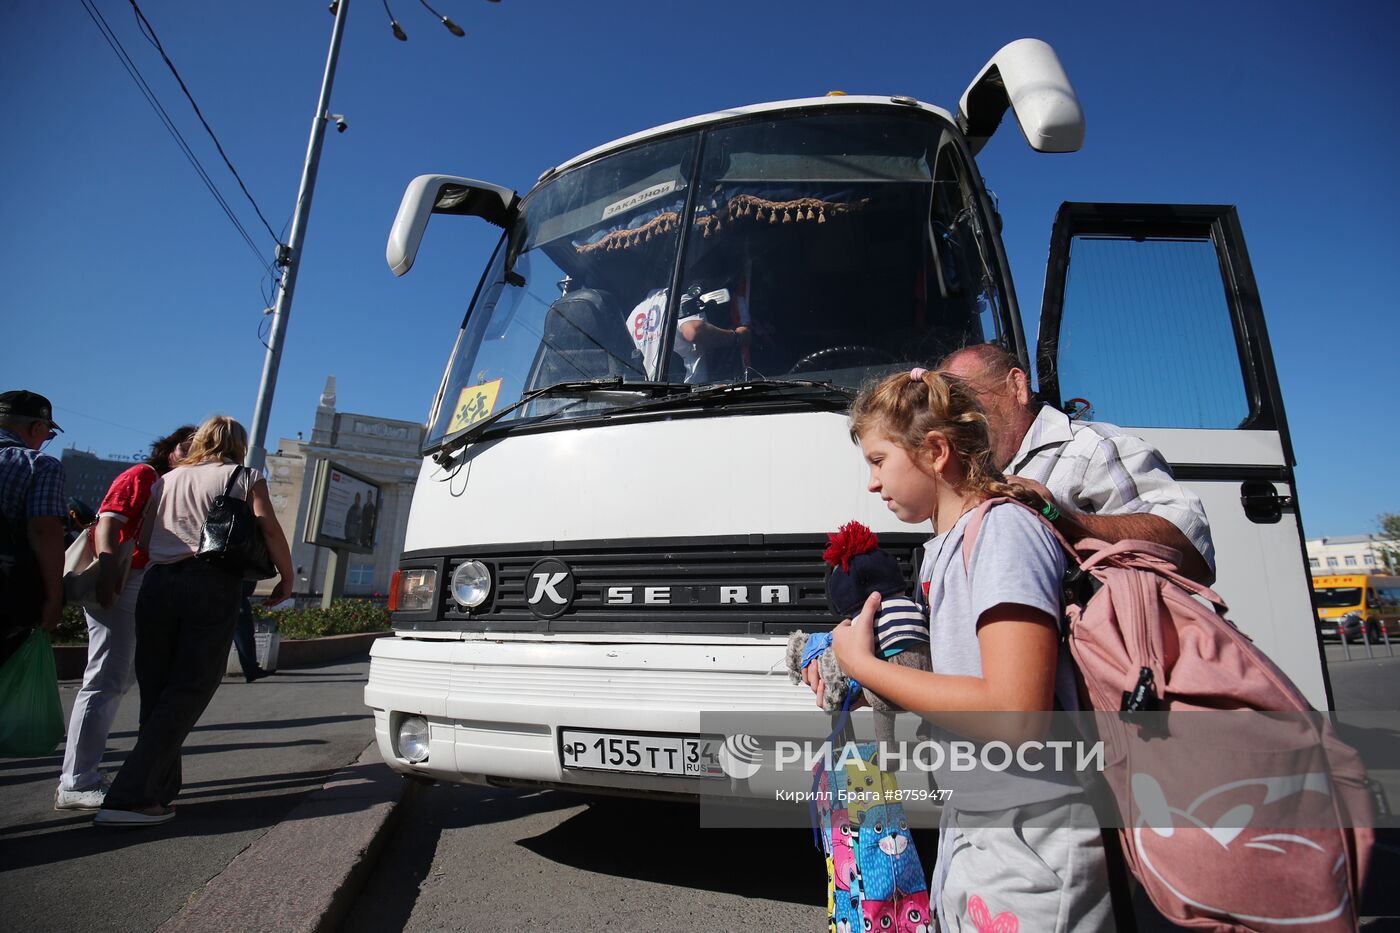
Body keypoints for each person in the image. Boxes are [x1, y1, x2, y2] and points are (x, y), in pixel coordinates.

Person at [813, 367, 1112, 932]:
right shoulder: (944, 549)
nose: (872, 484)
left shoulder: (1002, 532)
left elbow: (1013, 712)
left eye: (879, 461)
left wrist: (865, 666)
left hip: (1032, 834)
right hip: (982, 818)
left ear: (935, 450)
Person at [94, 416, 293, 827]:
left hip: (157, 584)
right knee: (192, 686)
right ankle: (129, 797)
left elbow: (146, 539)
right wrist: (286, 576)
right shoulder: (243, 475)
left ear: (200, 440)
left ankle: (158, 793)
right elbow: (269, 529)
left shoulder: (165, 480)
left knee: (159, 689)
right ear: (239, 443)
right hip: (210, 582)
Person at [940, 343, 1214, 582]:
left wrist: (1061, 519)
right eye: (947, 412)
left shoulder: (1094, 447)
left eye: (967, 400)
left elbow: (1191, 549)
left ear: (1017, 386)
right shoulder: (971, 473)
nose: (960, 421)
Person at [54, 424, 196, 811]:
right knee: (104, 681)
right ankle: (76, 781)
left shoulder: (174, 486)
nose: (193, 454)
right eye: (186, 447)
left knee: (116, 680)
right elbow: (110, 522)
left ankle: (83, 776)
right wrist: (104, 571)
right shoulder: (143, 476)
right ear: (168, 450)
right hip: (121, 580)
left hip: (142, 584)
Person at [0, 390, 67, 668]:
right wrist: (54, 596)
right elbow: (44, 530)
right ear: (37, 426)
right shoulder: (37, 464)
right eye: (48, 435)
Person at [625, 287, 750, 383]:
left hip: (653, 397)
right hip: (688, 394)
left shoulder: (632, 316)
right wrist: (736, 336)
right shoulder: (675, 297)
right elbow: (694, 331)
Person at [231, 578, 268, 683]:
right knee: (244, 636)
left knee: (244, 635)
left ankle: (252, 669)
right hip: (235, 595)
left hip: (232, 594)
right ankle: (251, 670)